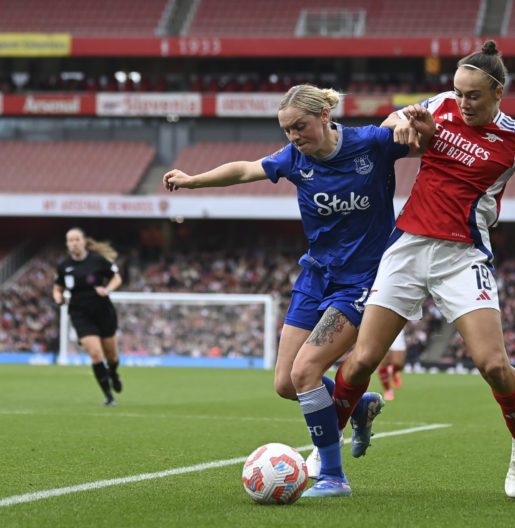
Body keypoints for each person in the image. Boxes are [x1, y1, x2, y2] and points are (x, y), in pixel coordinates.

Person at [331, 40, 515, 499]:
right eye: (458, 92)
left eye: (473, 95)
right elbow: (398, 121)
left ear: (497, 93)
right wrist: (406, 124)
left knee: (492, 364)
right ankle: (326, 452)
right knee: (362, 360)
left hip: (463, 254)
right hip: (408, 246)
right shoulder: (441, 105)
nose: (463, 102)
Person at [163, 84, 431, 498]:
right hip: (315, 277)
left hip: (362, 280)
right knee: (287, 384)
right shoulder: (293, 159)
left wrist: (405, 121)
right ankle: (358, 406)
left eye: (300, 127)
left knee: (306, 372)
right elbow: (245, 169)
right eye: (286, 130)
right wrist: (193, 180)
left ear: (324, 116)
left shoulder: (371, 144)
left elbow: (428, 145)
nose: (293, 137)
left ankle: (333, 477)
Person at [53, 227, 124, 407]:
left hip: (103, 311)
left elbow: (116, 278)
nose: (74, 243)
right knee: (95, 353)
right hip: (80, 313)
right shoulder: (64, 266)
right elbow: (57, 287)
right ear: (67, 244)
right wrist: (57, 297)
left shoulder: (98, 261)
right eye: (70, 240)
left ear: (84, 242)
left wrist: (107, 289)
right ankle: (108, 396)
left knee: (112, 356)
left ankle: (114, 373)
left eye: (77, 239)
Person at [377, 331, 406, 401]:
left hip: (397, 328)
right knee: (383, 362)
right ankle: (388, 390)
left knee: (398, 364)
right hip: (381, 329)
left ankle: (393, 372)